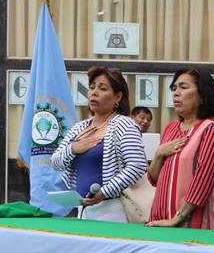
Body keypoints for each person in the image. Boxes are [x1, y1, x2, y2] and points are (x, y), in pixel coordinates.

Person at [52, 67, 147, 222]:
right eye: (92, 87)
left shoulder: (124, 124)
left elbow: (137, 166)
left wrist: (104, 192)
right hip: (82, 209)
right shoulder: (80, 127)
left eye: (102, 88)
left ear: (117, 97)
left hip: (111, 208)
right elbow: (56, 162)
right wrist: (74, 148)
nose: (94, 92)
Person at [146, 67, 214, 229]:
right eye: (174, 88)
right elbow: (153, 179)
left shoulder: (212, 128)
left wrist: (177, 219)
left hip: (192, 225)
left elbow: (203, 181)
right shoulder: (171, 128)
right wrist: (159, 153)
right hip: (159, 221)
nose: (176, 93)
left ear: (202, 96)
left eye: (184, 87)